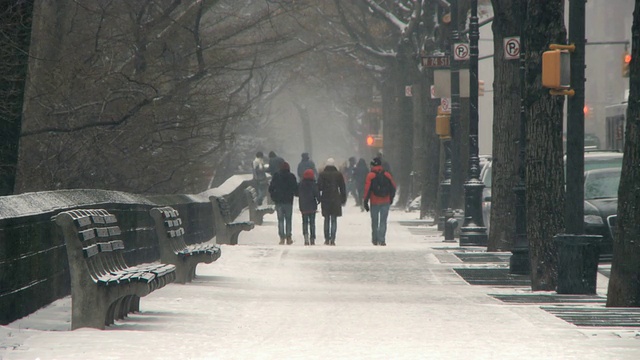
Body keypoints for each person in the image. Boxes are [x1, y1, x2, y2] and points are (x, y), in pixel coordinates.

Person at [363, 157, 397, 246]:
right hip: (385, 201)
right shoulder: (387, 174)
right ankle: (382, 239)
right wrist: (391, 198)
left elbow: (367, 189)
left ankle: (375, 239)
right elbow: (393, 187)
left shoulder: (370, 175)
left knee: (374, 221)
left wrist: (365, 201)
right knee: (383, 221)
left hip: (374, 201)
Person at [317, 158, 346, 245]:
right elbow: (342, 187)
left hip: (326, 198)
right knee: (334, 219)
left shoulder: (322, 175)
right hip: (335, 198)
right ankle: (333, 239)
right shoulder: (338, 175)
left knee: (326, 219)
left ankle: (326, 238)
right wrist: (343, 198)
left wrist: (319, 198)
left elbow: (319, 187)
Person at [268, 161, 298, 245]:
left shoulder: (276, 176)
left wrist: (274, 197)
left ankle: (282, 237)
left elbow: (271, 188)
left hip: (279, 201)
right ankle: (288, 237)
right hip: (288, 201)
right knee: (288, 220)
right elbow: (295, 189)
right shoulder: (291, 176)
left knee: (280, 220)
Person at [298, 168, 320, 245]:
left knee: (304, 222)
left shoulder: (301, 184)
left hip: (303, 206)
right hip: (312, 206)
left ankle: (306, 237)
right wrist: (319, 199)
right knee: (312, 223)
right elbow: (316, 193)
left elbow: (297, 193)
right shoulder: (313, 184)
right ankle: (312, 238)